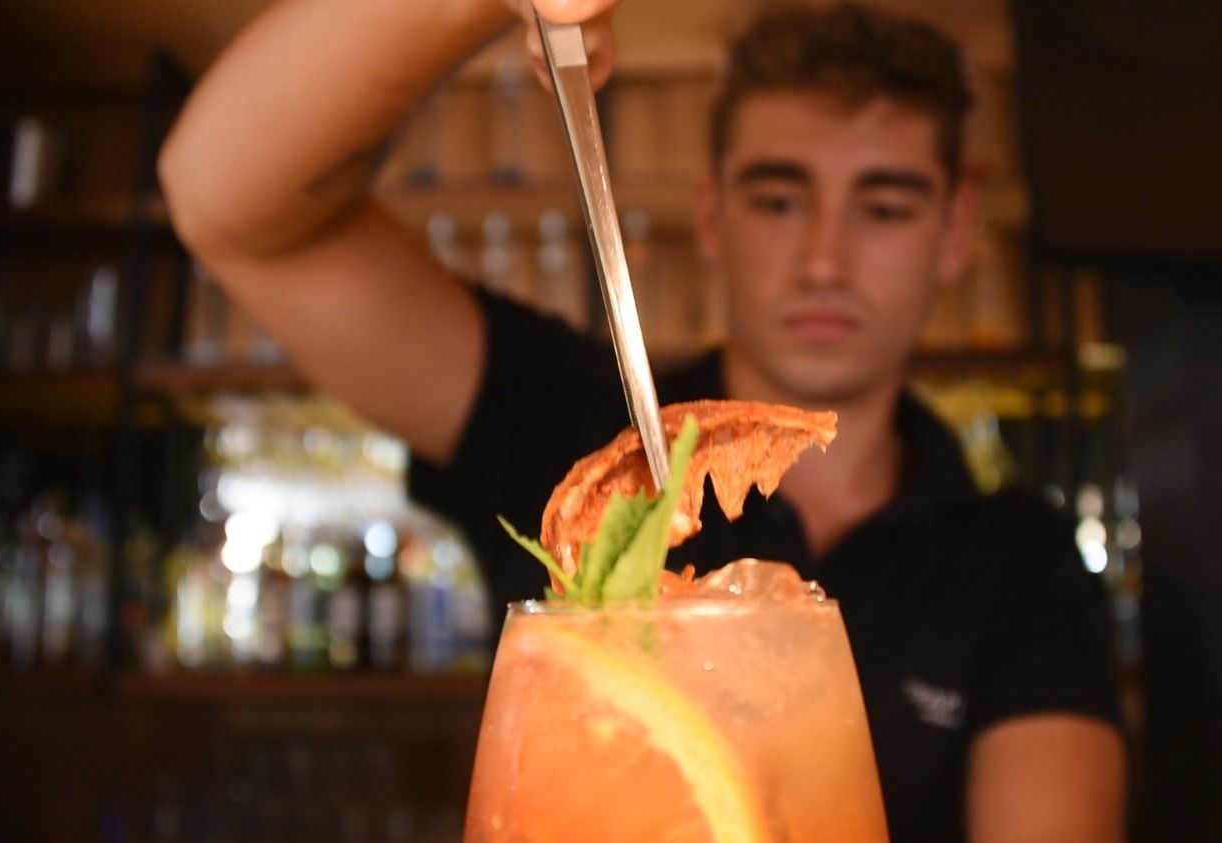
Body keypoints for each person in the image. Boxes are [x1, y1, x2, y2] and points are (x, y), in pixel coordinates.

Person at [158, 0, 1128, 839]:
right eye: (778, 198)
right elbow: (226, 202)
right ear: (712, 216)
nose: (824, 258)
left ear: (956, 228)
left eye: (885, 207)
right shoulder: (567, 422)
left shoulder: (1021, 560)